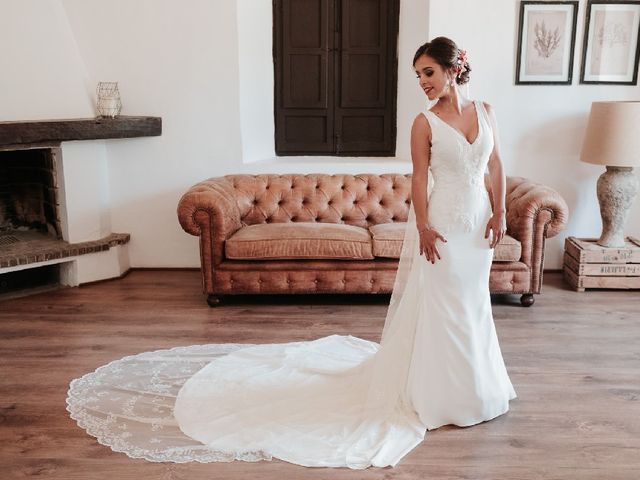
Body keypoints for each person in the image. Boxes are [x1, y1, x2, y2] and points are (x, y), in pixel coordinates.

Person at [66, 36, 517, 469]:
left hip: (477, 223)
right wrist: (422, 225)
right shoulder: (426, 122)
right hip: (440, 224)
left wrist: (499, 213)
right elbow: (418, 179)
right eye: (418, 75)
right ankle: (438, 394)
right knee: (444, 304)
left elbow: (495, 164)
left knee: (472, 302)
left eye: (429, 72)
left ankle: (478, 388)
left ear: (454, 68)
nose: (423, 82)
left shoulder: (487, 112)